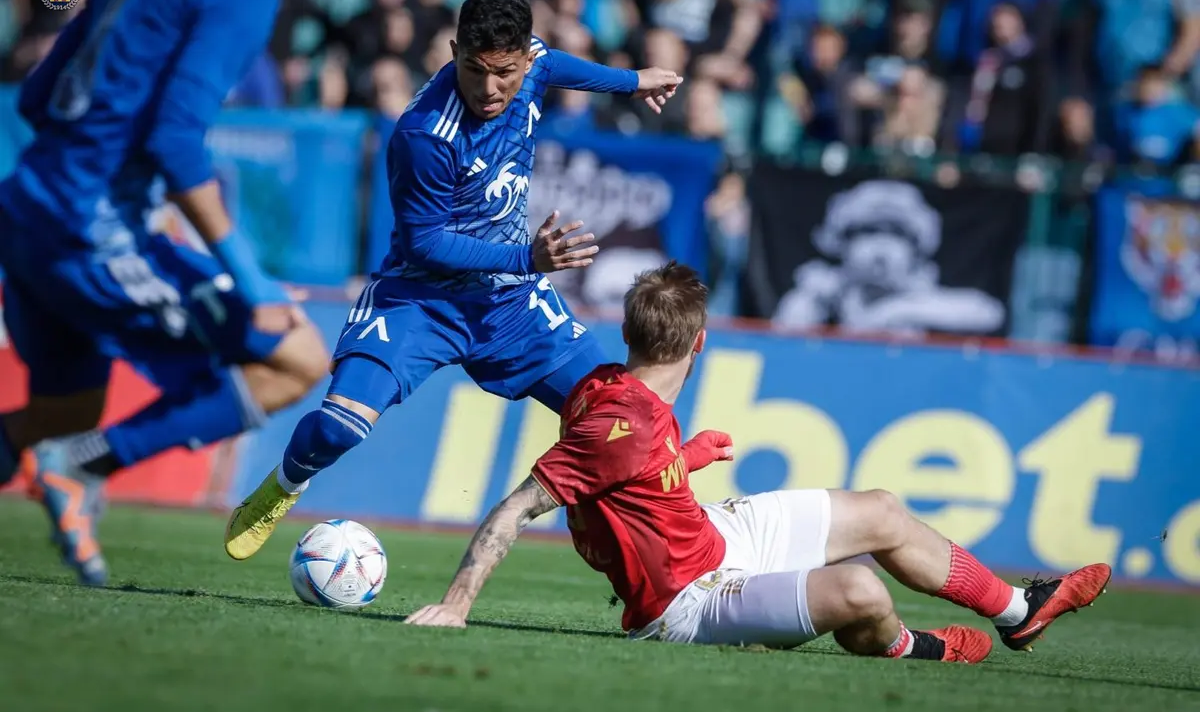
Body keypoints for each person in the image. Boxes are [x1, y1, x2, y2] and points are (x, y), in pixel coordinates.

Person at [405, 261, 1112, 661]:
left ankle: (1020, 610)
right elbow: (517, 507)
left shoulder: (609, 387)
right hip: (683, 601)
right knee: (861, 591)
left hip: (709, 534)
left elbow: (623, 477)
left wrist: (687, 457)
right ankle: (913, 649)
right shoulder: (625, 423)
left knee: (882, 510)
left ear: (626, 332)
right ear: (701, 342)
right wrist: (456, 605)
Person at [223, 0, 683, 560]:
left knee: (629, 419)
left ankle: (668, 556)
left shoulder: (536, 62)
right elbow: (426, 244)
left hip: (511, 306)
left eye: (504, 73)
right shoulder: (424, 136)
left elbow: (556, 63)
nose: (489, 88)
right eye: (474, 69)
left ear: (525, 60)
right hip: (420, 301)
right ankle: (286, 483)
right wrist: (527, 260)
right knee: (340, 427)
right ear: (453, 50)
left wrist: (631, 82)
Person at [0, 0, 330, 587]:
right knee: (297, 358)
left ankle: (75, 454)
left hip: (25, 208)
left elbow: (36, 96)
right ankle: (87, 464)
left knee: (59, 414)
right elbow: (175, 143)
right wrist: (253, 282)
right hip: (94, 231)